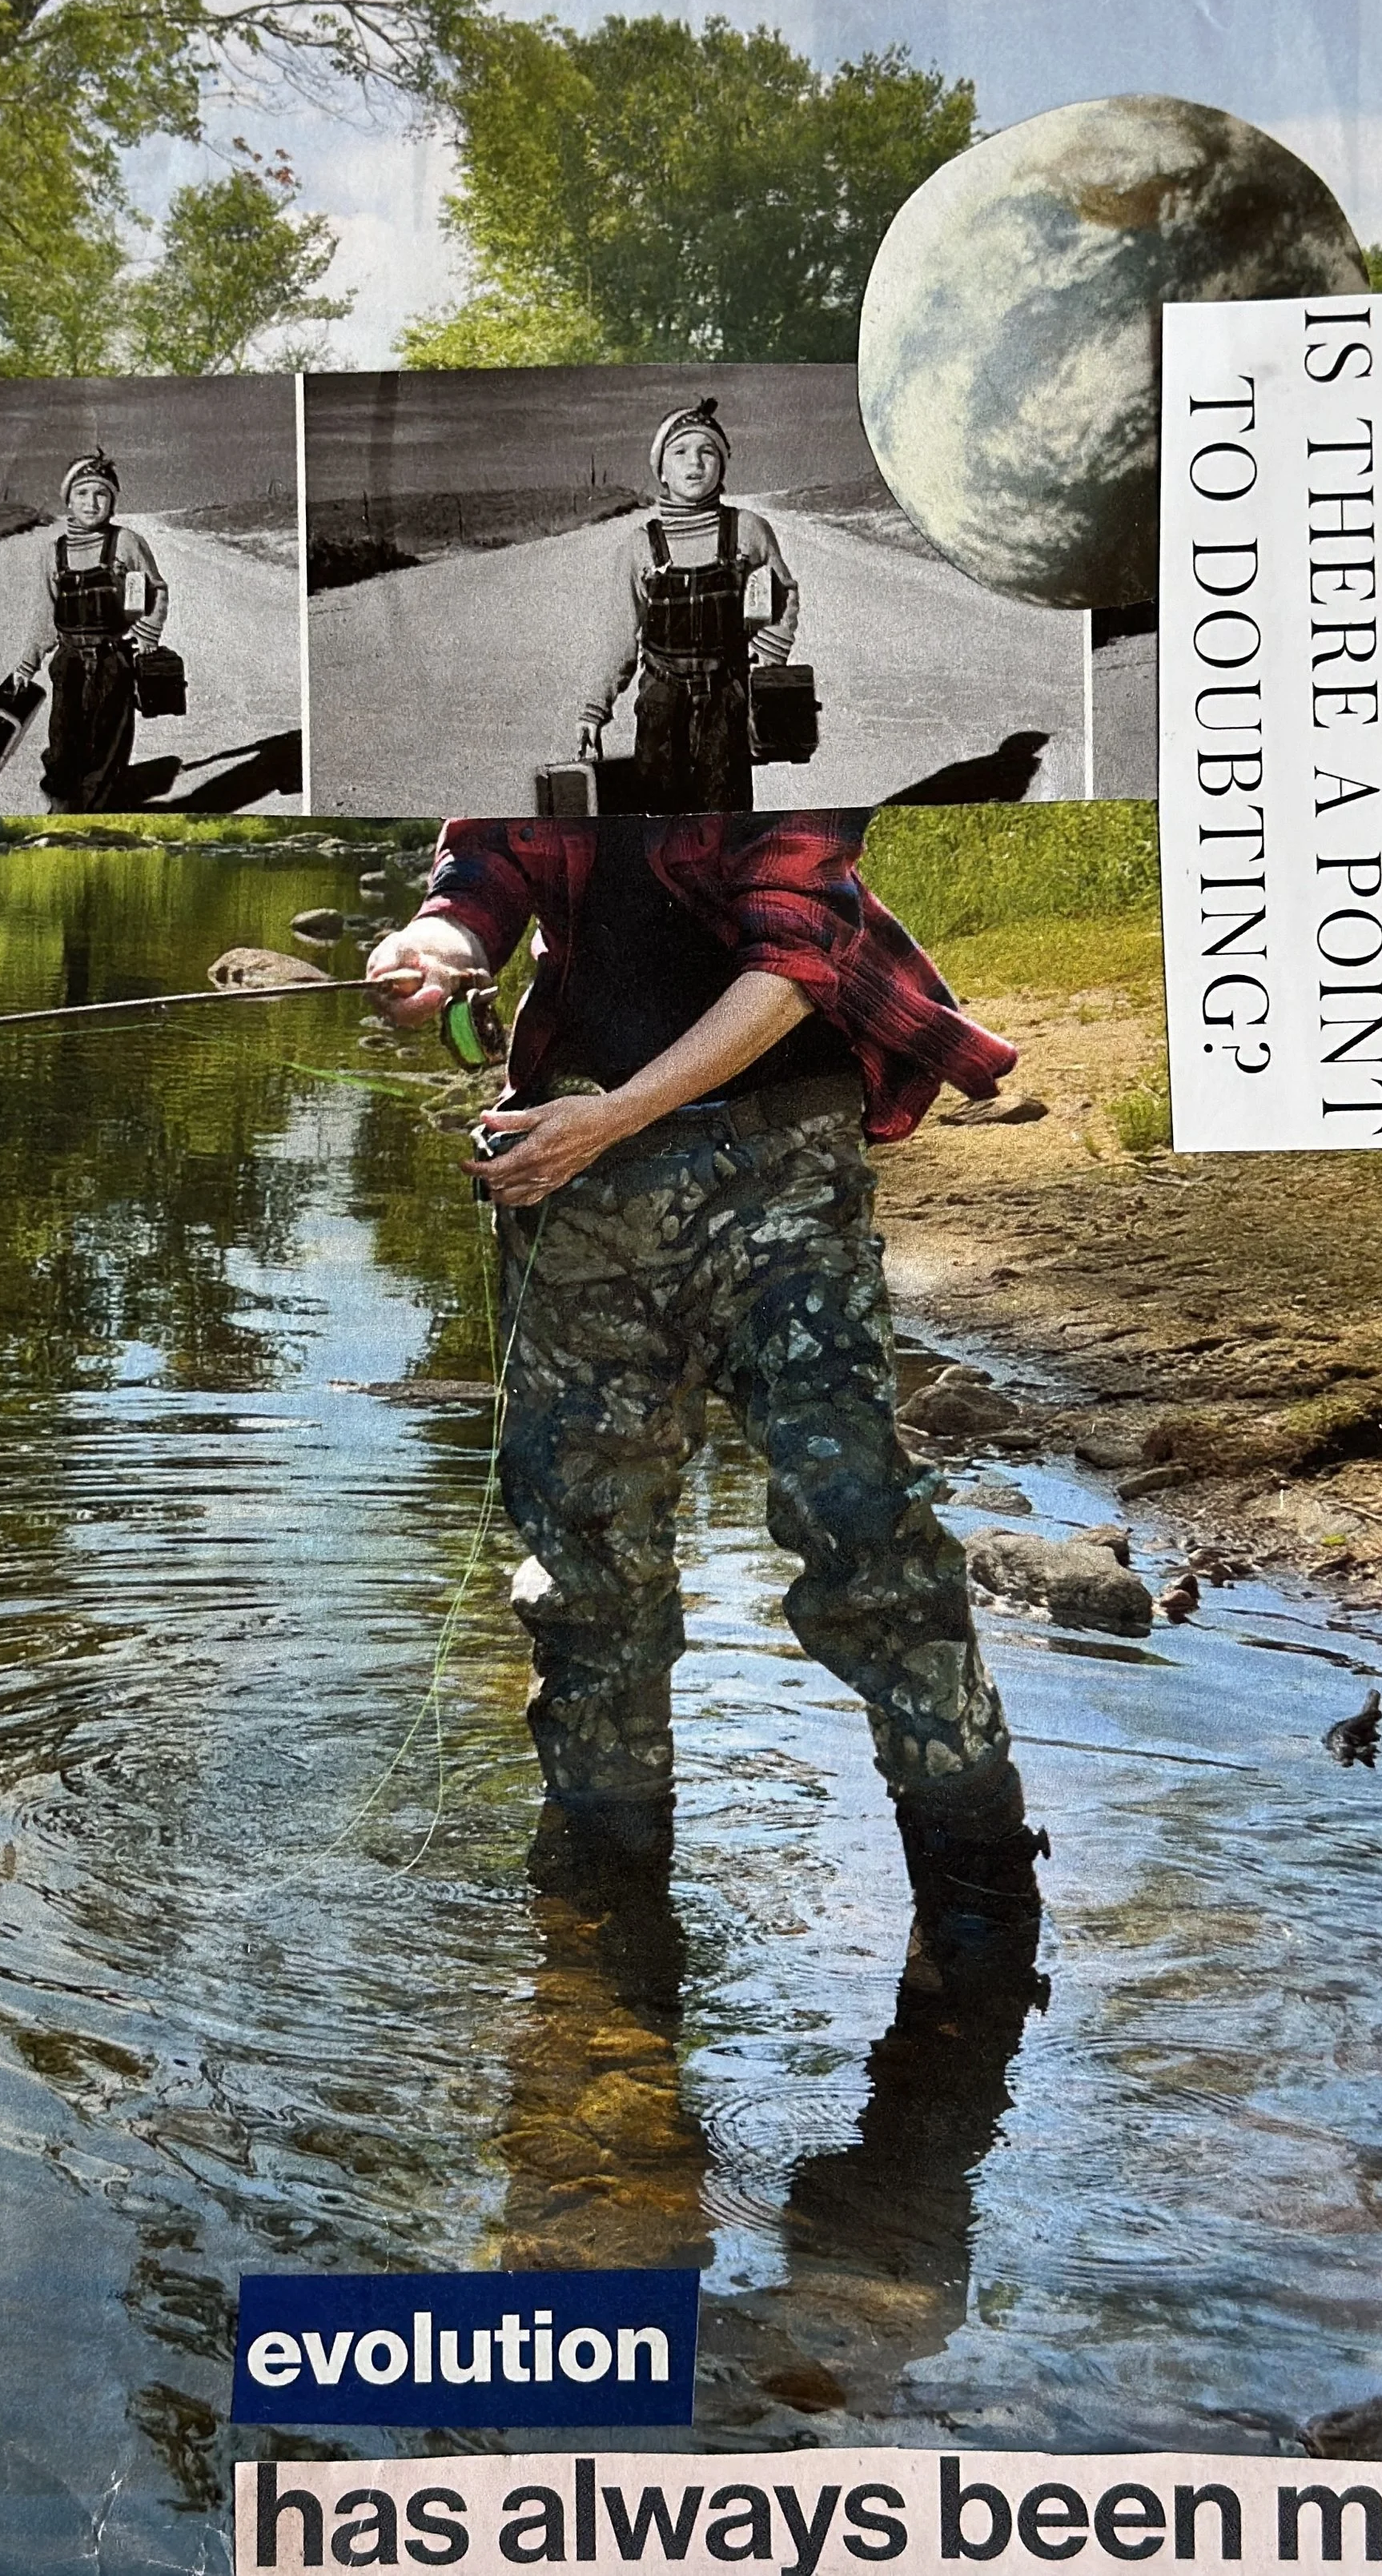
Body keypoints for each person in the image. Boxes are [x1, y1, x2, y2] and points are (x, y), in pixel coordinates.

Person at [367, 811, 1045, 1949]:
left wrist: (619, 1115)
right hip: (571, 1187)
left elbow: (793, 960)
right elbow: (489, 866)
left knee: (861, 1529)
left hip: (776, 1172)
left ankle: (982, 1914)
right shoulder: (539, 688)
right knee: (588, 1563)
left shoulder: (772, 720)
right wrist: (437, 944)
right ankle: (601, 1924)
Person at [577, 399, 799, 811]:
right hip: (661, 699)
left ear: (722, 467)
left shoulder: (747, 531)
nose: (694, 463)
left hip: (727, 698)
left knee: (726, 817)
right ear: (662, 470)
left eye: (707, 451)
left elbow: (780, 595)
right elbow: (619, 637)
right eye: (680, 452)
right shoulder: (640, 547)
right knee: (658, 815)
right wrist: (595, 710)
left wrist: (768, 664)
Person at [10, 450, 169, 813]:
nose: (91, 502)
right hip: (68, 663)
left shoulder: (125, 543)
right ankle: (61, 810)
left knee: (106, 747)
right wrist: (26, 666)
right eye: (82, 493)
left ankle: (93, 819)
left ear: (112, 501)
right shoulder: (54, 553)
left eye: (101, 494)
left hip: (113, 662)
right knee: (63, 743)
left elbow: (151, 592)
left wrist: (146, 634)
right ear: (68, 500)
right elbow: (45, 613)